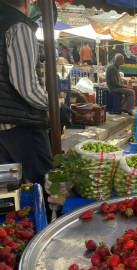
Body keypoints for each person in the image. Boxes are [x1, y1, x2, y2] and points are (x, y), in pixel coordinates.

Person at [0, 0, 53, 220]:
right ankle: (48, 236)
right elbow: (27, 87)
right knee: (46, 184)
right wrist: (55, 107)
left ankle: (10, 235)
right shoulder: (19, 27)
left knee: (7, 190)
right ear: (27, 2)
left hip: (4, 127)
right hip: (22, 126)